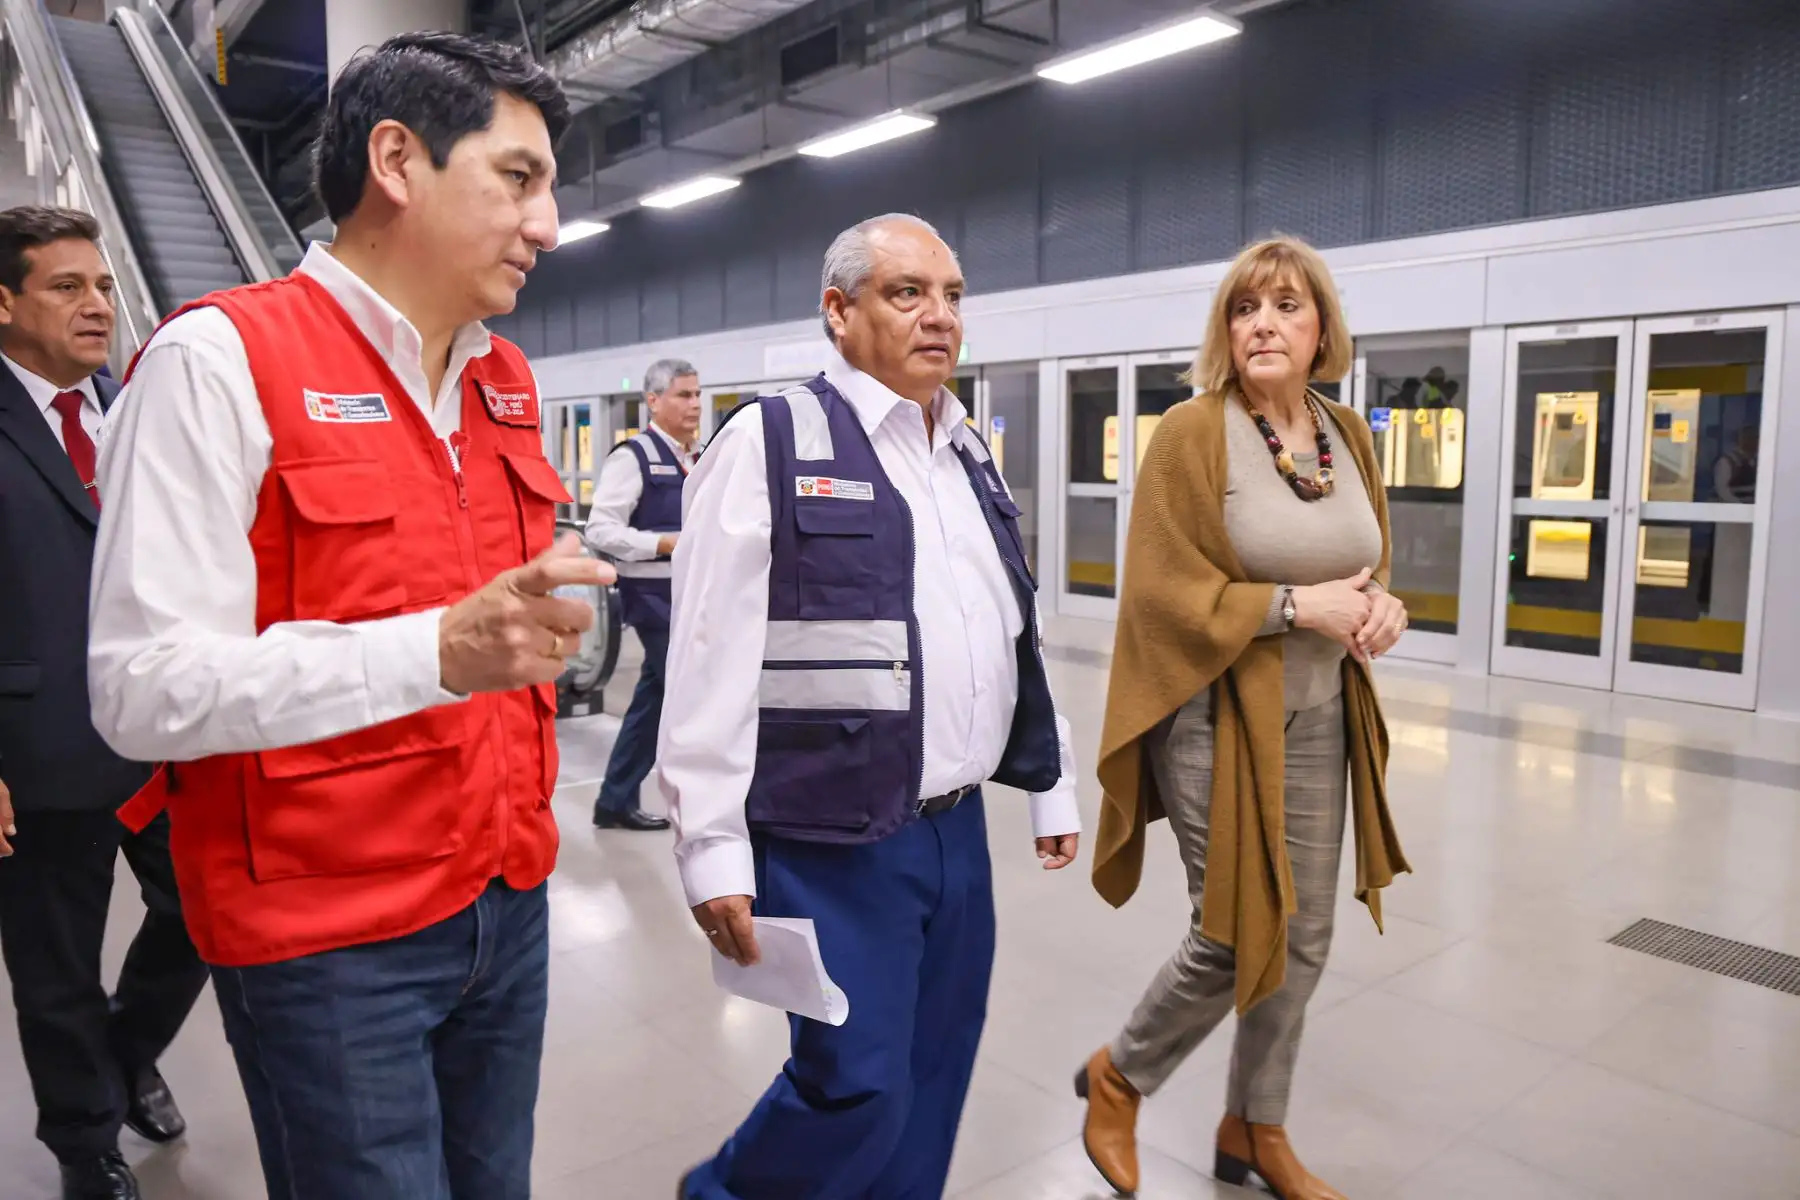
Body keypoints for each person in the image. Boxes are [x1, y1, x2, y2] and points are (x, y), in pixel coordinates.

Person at [85, 34, 612, 1200]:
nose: (549, 225)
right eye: (519, 179)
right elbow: (141, 687)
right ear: (397, 161)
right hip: (328, 941)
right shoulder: (220, 362)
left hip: (503, 899)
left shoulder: (503, 381)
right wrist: (435, 650)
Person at [662, 213, 1082, 1200]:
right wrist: (710, 844)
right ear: (838, 312)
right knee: (855, 1087)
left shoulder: (967, 451)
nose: (938, 316)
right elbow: (710, 656)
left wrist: (1049, 777)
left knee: (935, 1075)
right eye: (907, 293)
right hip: (832, 833)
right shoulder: (768, 441)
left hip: (956, 831)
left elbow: (1004, 625)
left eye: (952, 296)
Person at [1075, 236, 1411, 1200]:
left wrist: (1383, 603)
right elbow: (1160, 587)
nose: (1264, 323)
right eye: (1245, 308)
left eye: (1287, 307)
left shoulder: (1345, 432)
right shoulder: (1192, 431)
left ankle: (1253, 1128)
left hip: (1322, 714)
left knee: (1302, 939)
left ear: (1321, 330)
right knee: (1230, 931)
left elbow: (1364, 557)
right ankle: (1119, 1074)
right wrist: (1298, 609)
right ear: (1226, 330)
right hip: (1217, 711)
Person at [0, 206, 209, 1200]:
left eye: (103, 286)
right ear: (4, 302)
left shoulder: (134, 409)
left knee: (203, 912)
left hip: (160, 733)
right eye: (66, 287)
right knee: (55, 968)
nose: (98, 305)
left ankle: (127, 1055)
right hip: (35, 748)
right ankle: (87, 1146)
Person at [583, 357, 704, 831]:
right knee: (684, 697)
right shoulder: (632, 458)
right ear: (653, 401)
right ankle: (687, 798)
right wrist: (661, 542)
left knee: (655, 699)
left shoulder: (696, 457)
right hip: (655, 602)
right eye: (683, 395)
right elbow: (601, 529)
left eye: (696, 394)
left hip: (691, 599)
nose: (694, 404)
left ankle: (614, 800)